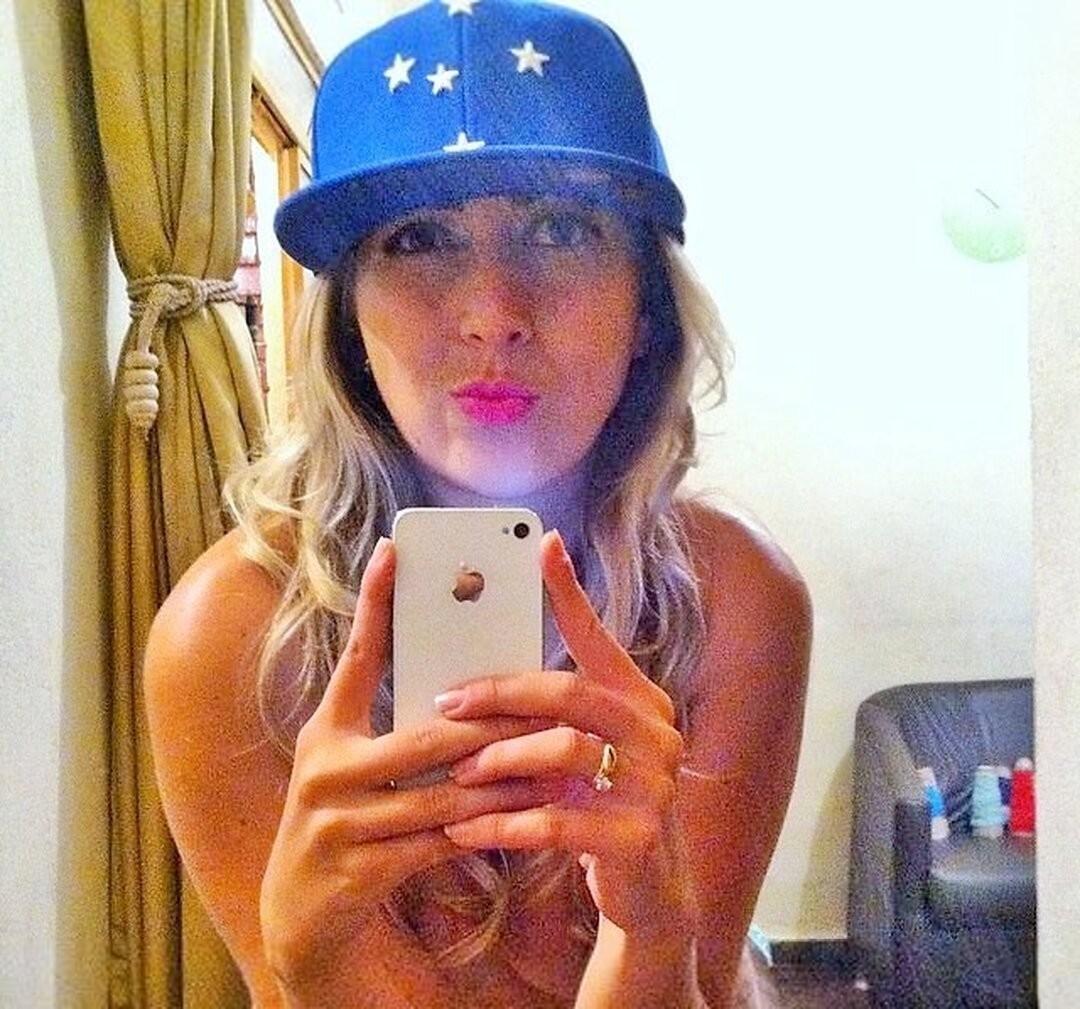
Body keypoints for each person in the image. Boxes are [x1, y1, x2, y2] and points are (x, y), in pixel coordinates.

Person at [143, 1, 812, 1007]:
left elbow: (697, 985)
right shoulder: (231, 635)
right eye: (420, 239)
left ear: (646, 306)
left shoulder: (736, 596)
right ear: (348, 321)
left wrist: (651, 937)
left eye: (561, 227)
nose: (494, 314)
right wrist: (316, 965)